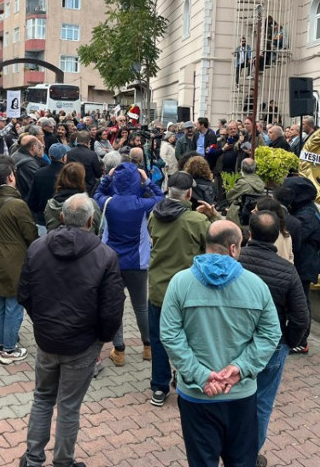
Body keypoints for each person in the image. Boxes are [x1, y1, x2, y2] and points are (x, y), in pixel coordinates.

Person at [160, 221, 281, 467]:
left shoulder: (179, 283)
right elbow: (271, 333)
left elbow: (170, 335)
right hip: (240, 393)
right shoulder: (257, 286)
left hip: (197, 395)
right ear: (234, 248)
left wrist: (201, 375)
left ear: (207, 244)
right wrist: (241, 368)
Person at [17, 194, 124, 467]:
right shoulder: (105, 255)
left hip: (49, 339)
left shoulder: (37, 247)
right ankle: (63, 461)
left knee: (42, 398)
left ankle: (33, 458)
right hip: (81, 344)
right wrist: (102, 338)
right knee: (68, 405)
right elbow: (112, 309)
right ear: (91, 221)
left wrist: (41, 321)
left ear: (62, 217)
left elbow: (25, 294)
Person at [237, 211, 309, 464]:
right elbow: (301, 317)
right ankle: (249, 455)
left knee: (231, 397)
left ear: (250, 234)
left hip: (235, 341)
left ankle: (227, 447)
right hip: (271, 345)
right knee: (262, 403)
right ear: (277, 236)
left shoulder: (235, 261)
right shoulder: (287, 271)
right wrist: (288, 341)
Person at [147, 171, 212, 407]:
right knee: (190, 339)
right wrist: (212, 216)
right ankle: (188, 381)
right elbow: (214, 244)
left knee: (158, 338)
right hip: (187, 290)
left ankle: (159, 386)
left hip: (158, 287)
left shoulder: (154, 214)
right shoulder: (197, 220)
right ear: (189, 194)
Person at [94, 161, 164, 367]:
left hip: (112, 261)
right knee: (141, 305)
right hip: (138, 261)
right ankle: (148, 347)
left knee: (115, 305)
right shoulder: (141, 204)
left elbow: (97, 193)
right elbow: (161, 198)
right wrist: (147, 180)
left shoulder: (108, 202)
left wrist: (108, 177)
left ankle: (120, 349)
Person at [0, 159, 38, 365]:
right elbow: (30, 233)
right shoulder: (17, 204)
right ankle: (9, 348)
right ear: (11, 177)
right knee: (13, 304)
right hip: (14, 259)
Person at [281, 176, 320, 354]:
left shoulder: (307, 214)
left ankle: (301, 340)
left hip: (305, 264)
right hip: (302, 263)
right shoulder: (303, 210)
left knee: (302, 302)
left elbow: (294, 238)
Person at [43, 162, 101, 233]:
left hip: (57, 243)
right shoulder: (91, 204)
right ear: (81, 180)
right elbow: (98, 228)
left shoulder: (50, 205)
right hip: (86, 243)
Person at [27, 143, 69, 234]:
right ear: (64, 158)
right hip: (66, 222)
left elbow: (31, 200)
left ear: (50, 156)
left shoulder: (39, 173)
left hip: (43, 220)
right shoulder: (69, 174)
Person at [226, 158, 266, 230]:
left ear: (242, 168)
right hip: (255, 212)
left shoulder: (242, 182)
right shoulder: (260, 182)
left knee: (233, 206)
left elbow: (229, 197)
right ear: (254, 168)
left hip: (241, 213)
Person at [255, 197, 294, 263]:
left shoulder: (263, 235)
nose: (252, 211)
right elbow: (290, 258)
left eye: (256, 211)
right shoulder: (286, 234)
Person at [66, 130, 102, 195]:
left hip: (72, 189)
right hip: (88, 190)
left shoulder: (69, 153)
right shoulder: (92, 154)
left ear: (77, 140)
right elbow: (98, 174)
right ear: (89, 142)